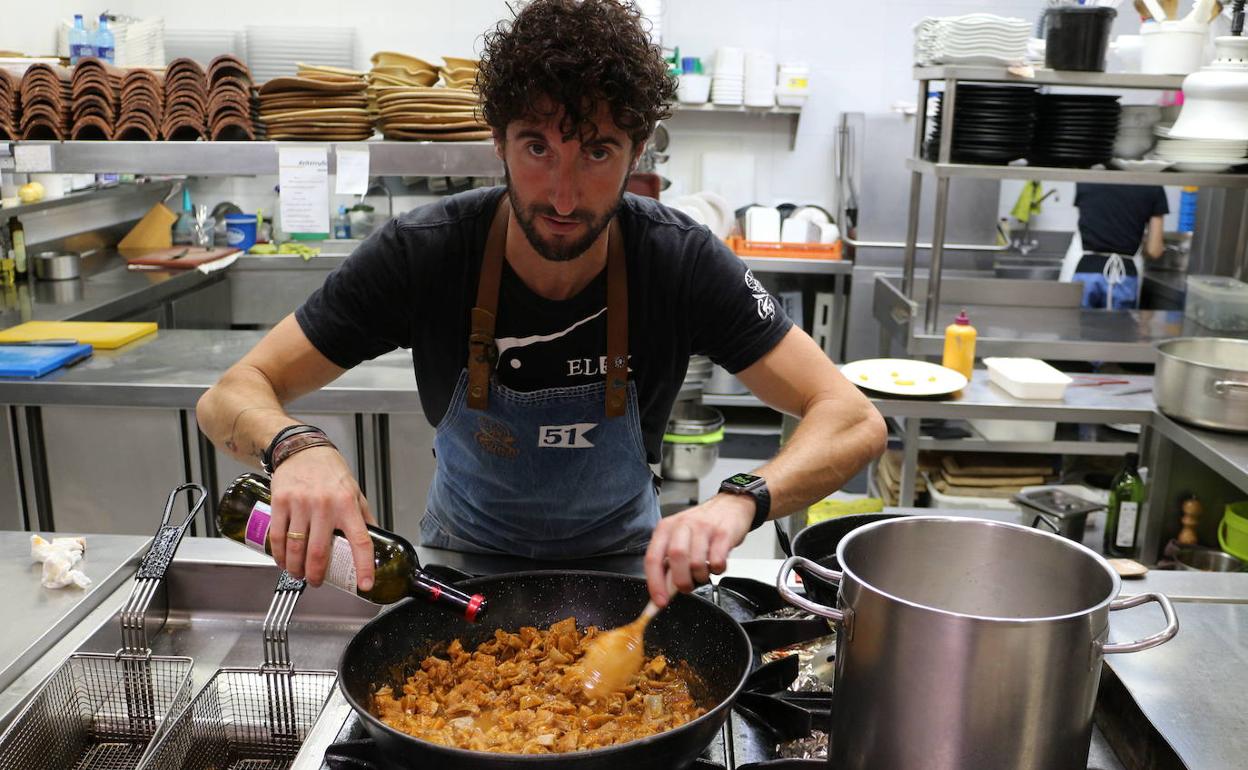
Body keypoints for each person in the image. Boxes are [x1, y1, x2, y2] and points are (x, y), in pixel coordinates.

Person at [196, 0, 885, 608]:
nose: (562, 194)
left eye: (597, 152)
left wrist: (741, 499)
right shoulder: (424, 253)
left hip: (629, 574)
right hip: (456, 571)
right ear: (497, 139)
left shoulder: (679, 260)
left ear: (638, 152)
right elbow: (230, 394)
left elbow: (853, 420)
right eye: (536, 147)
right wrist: (296, 446)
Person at [1066, 183, 1168, 310]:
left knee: (1077, 322)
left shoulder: (1089, 179)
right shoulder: (1153, 185)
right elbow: (1154, 250)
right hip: (1124, 277)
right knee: (1119, 323)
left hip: (1085, 272)